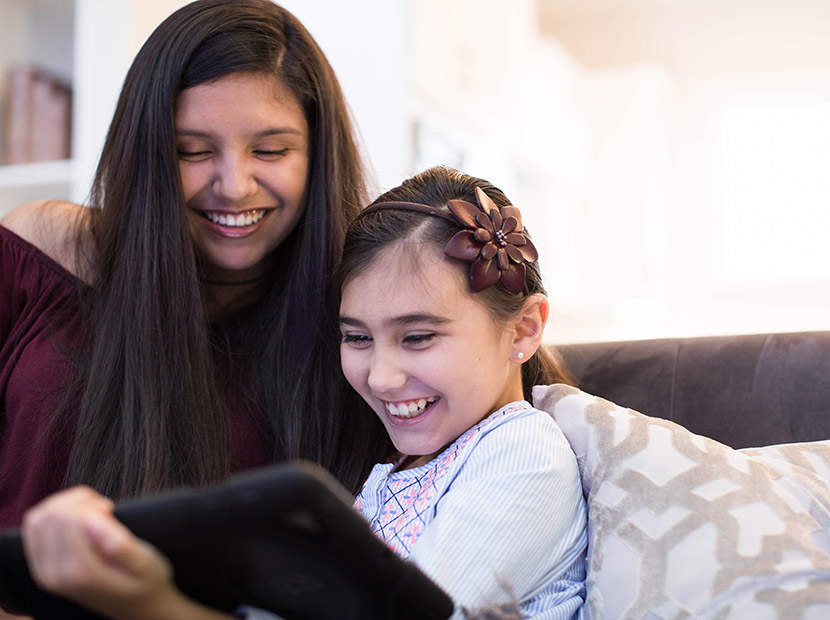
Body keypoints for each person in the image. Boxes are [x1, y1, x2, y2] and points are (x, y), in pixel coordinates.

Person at [20, 166, 587, 620]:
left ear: (524, 328)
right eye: (357, 337)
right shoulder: (405, 466)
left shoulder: (523, 453)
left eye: (417, 337)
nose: (382, 376)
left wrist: (151, 606)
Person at [0, 0, 390, 530]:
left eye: (271, 151)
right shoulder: (40, 252)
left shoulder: (355, 324)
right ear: (147, 153)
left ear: (317, 157)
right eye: (191, 151)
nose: (234, 185)